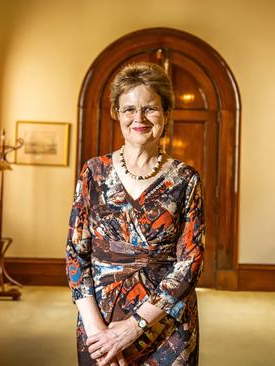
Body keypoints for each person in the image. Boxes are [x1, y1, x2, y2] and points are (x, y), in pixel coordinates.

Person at [66, 62, 205, 366]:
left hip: (166, 324)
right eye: (129, 109)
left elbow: (190, 263)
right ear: (116, 113)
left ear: (166, 113)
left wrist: (133, 327)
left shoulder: (185, 179)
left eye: (150, 109)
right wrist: (97, 331)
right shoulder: (93, 172)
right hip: (99, 321)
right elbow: (76, 255)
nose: (139, 119)